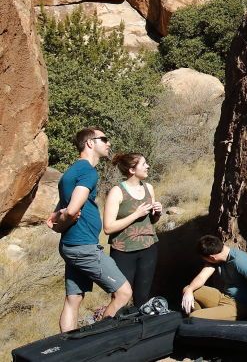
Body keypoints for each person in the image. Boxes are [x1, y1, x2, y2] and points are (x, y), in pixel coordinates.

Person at [47, 127, 133, 332]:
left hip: (71, 244)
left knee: (73, 298)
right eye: (104, 139)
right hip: (83, 246)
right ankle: (100, 340)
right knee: (124, 293)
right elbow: (72, 209)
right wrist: (66, 216)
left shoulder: (70, 172)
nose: (108, 143)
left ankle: (68, 348)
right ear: (90, 143)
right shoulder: (87, 171)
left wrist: (59, 220)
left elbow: (57, 216)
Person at [103, 153, 162, 307]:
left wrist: (157, 213)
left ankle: (141, 328)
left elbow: (152, 221)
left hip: (148, 247)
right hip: (123, 251)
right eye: (143, 164)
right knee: (120, 297)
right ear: (131, 170)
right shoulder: (117, 191)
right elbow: (108, 228)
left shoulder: (149, 188)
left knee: (143, 296)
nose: (148, 166)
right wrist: (136, 215)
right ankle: (115, 328)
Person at [181, 235, 247, 321]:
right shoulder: (217, 256)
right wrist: (189, 290)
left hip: (239, 306)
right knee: (188, 290)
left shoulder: (240, 261)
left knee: (194, 318)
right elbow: (202, 277)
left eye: (204, 259)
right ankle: (203, 321)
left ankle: (198, 322)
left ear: (212, 258)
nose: (203, 261)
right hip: (224, 297)